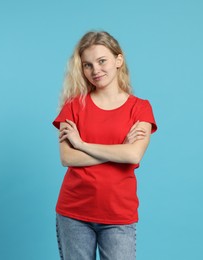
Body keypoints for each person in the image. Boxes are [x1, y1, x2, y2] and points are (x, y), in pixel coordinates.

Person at [52, 31, 157, 260]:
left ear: (118, 60)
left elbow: (133, 155)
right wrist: (117, 149)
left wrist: (82, 144)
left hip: (118, 214)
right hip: (74, 212)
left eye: (102, 61)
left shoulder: (140, 108)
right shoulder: (73, 107)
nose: (95, 71)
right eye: (88, 65)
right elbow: (67, 158)